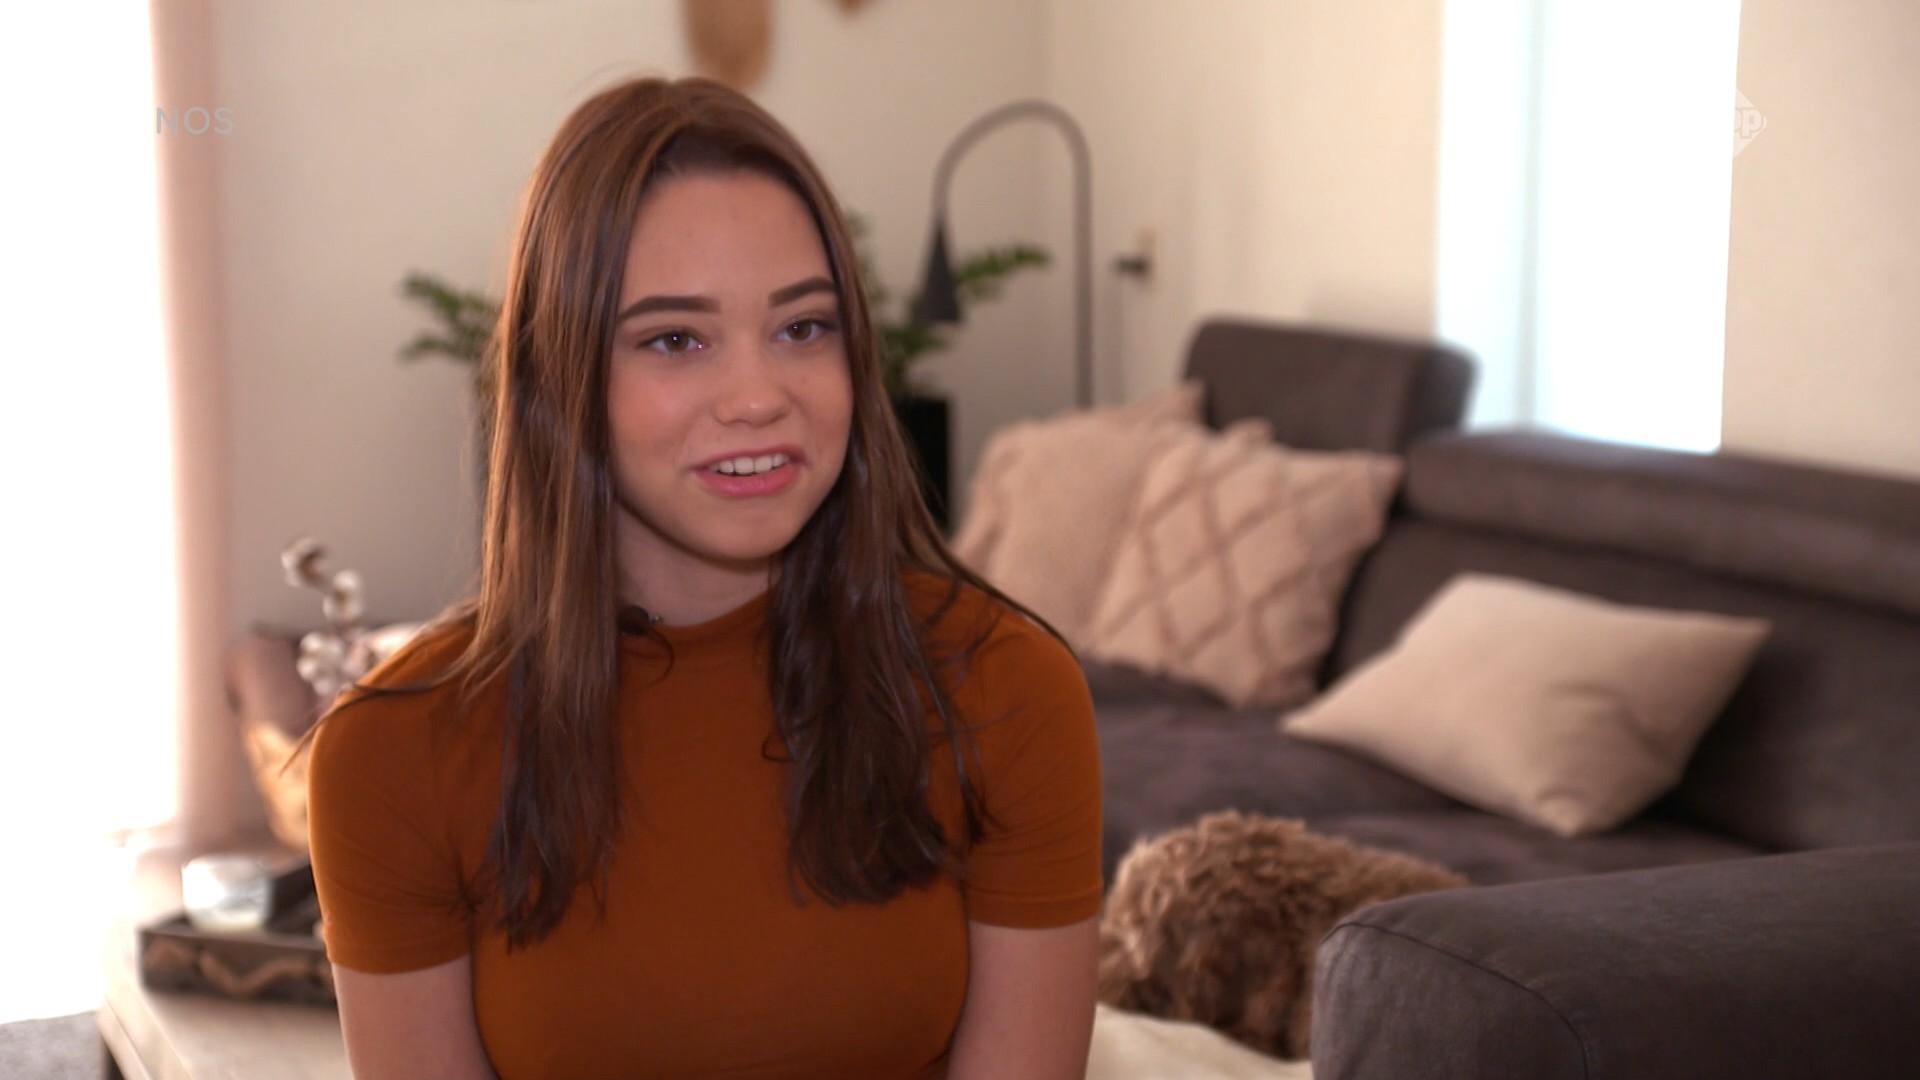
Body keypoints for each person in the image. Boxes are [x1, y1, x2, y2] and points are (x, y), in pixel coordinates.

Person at [302, 74, 1104, 1080]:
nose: (758, 397)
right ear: (562, 380)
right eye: (676, 339)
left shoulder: (1008, 691)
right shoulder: (394, 752)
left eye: (802, 327)